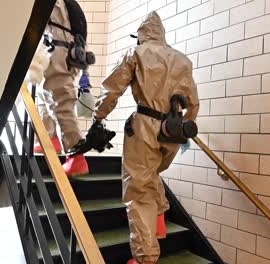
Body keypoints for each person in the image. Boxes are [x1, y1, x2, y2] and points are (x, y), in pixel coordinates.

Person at [91, 11, 199, 264]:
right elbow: (193, 104)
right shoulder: (182, 60)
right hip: (174, 131)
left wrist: (98, 117)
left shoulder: (135, 53)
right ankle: (159, 220)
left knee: (138, 193)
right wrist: (184, 126)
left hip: (146, 126)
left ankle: (145, 258)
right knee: (151, 174)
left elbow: (111, 89)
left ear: (141, 35)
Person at [33, 0, 92, 177]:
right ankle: (50, 139)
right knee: (45, 95)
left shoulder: (58, 4)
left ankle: (76, 156)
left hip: (56, 49)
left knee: (59, 100)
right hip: (66, 52)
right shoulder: (68, 4)